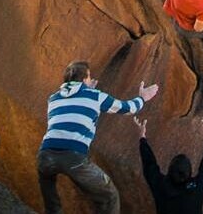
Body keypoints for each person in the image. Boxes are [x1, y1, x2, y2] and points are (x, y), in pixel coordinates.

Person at [37, 60, 160, 214]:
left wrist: (88, 90)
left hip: (45, 155)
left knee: (51, 198)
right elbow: (127, 108)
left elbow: (74, 104)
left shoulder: (53, 98)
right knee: (110, 196)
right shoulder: (94, 96)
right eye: (89, 77)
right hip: (73, 158)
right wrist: (143, 98)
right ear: (84, 79)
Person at [135, 113, 203, 214]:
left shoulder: (161, 186)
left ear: (169, 170)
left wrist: (142, 137)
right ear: (189, 174)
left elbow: (149, 164)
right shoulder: (197, 189)